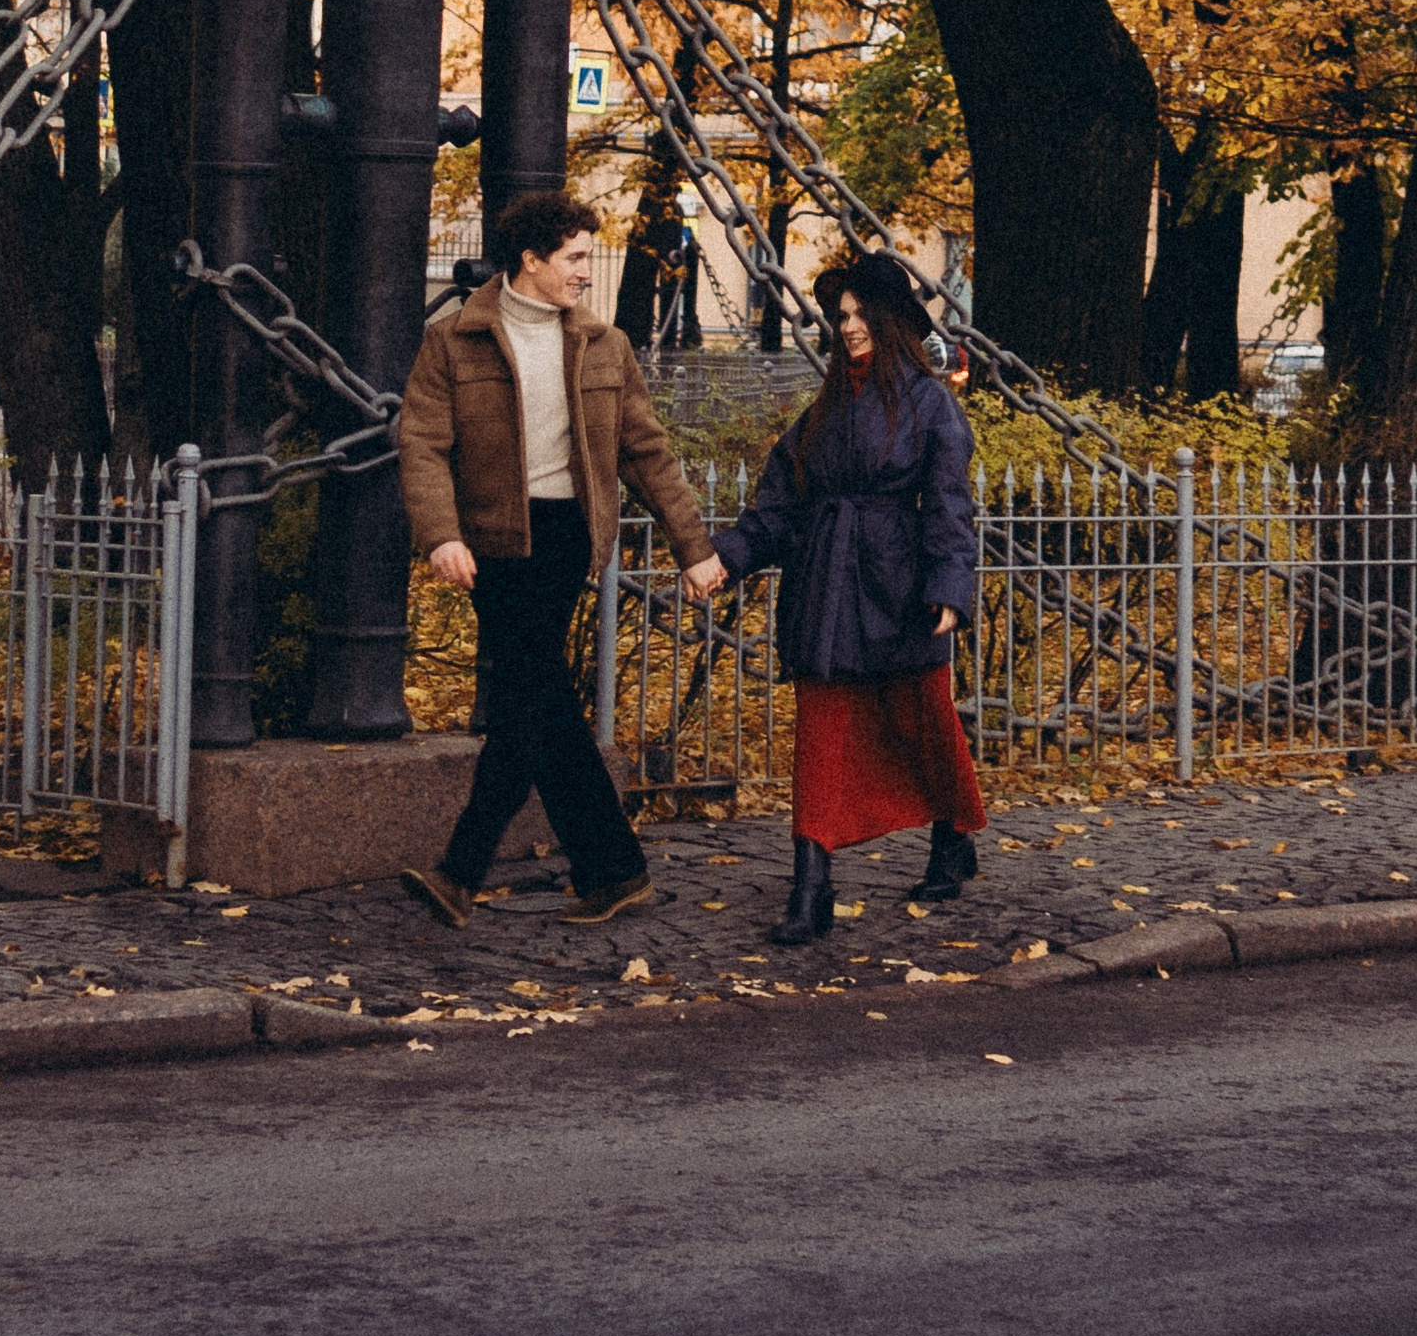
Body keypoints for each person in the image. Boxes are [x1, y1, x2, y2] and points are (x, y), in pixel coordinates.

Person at [396, 187, 726, 928]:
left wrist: (694, 548)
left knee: (528, 696)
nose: (585, 271)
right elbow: (422, 446)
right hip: (492, 542)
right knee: (537, 705)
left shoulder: (603, 344)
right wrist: (442, 533)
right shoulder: (454, 341)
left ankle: (462, 871)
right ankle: (611, 869)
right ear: (531, 259)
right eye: (574, 258)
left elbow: (648, 453)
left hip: (567, 539)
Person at [713, 252, 983, 946]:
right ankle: (811, 887)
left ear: (891, 321)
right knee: (822, 735)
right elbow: (778, 508)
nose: (849, 326)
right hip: (825, 591)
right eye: (841, 317)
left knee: (924, 723)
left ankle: (953, 836)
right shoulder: (824, 410)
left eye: (861, 314)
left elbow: (949, 503)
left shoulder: (931, 404)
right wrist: (726, 557)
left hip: (901, 590)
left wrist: (949, 587)